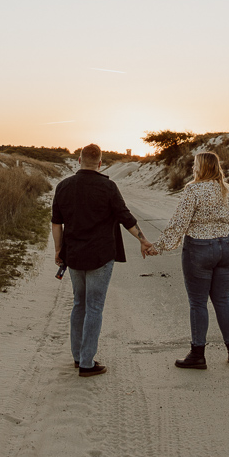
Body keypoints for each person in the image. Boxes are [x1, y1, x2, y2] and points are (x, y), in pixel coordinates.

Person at [51, 143, 155, 377]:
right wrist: (143, 239)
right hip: (101, 255)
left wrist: (59, 250)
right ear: (100, 163)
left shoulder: (63, 186)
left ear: (79, 161)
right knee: (94, 307)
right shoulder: (108, 187)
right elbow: (125, 217)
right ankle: (87, 363)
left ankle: (78, 358)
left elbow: (56, 223)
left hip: (74, 254)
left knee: (79, 304)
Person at [148, 151, 229, 370]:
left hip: (200, 248)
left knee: (198, 303)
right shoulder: (227, 190)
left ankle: (198, 354)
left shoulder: (193, 190)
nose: (192, 168)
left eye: (195, 165)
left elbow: (179, 222)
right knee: (223, 299)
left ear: (201, 168)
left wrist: (158, 246)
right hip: (226, 247)